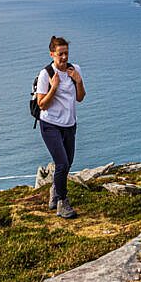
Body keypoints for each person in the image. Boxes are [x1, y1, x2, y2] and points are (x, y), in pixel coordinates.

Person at [36, 35, 86, 219]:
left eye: (66, 53)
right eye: (60, 54)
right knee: (62, 163)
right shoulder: (46, 74)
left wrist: (78, 80)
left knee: (67, 164)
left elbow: (80, 97)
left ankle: (55, 191)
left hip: (70, 124)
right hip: (50, 125)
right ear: (52, 54)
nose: (64, 57)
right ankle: (62, 203)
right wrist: (54, 88)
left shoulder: (75, 70)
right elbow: (42, 104)